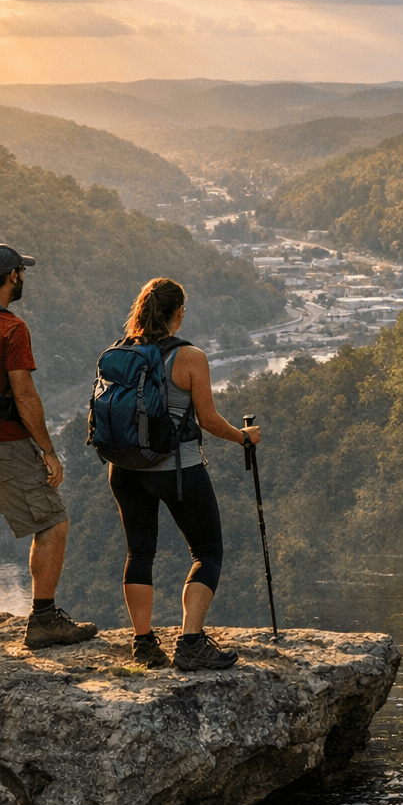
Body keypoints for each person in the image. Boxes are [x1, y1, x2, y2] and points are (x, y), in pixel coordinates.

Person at [0, 244, 99, 657]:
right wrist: (48, 451)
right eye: (21, 272)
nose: (23, 278)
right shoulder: (10, 327)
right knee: (53, 523)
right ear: (12, 277)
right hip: (2, 444)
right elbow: (24, 395)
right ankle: (43, 620)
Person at [107, 278, 262, 671]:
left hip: (124, 469)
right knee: (207, 552)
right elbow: (208, 419)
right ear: (179, 313)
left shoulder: (121, 351)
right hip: (176, 469)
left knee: (139, 552)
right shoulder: (190, 356)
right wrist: (243, 437)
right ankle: (190, 641)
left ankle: (143, 643)